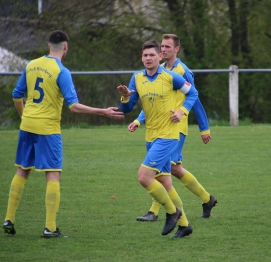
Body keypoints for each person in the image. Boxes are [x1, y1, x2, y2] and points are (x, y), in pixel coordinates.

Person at [3, 30, 124, 238]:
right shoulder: (62, 71)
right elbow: (74, 106)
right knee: (53, 173)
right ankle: (50, 227)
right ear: (65, 47)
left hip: (27, 127)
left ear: (48, 46)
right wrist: (102, 111)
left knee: (22, 170)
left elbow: (16, 95)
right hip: (48, 129)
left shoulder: (31, 64)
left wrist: (24, 117)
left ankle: (9, 219)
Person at [130, 34, 217, 222]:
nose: (163, 50)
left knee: (164, 168)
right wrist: (138, 120)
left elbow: (195, 98)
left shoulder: (183, 71)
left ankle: (157, 212)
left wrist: (204, 128)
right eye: (162, 46)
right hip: (160, 126)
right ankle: (206, 199)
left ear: (176, 49)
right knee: (171, 169)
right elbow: (152, 102)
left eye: (167, 47)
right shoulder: (158, 70)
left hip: (177, 127)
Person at [117, 39, 198, 238]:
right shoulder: (136, 78)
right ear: (141, 57)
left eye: (152, 54)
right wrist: (126, 97)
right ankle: (185, 225)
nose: (148, 58)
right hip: (150, 136)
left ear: (160, 57)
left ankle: (172, 212)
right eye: (145, 55)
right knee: (164, 183)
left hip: (168, 136)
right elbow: (127, 109)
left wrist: (182, 112)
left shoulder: (171, 77)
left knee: (144, 177)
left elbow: (193, 93)